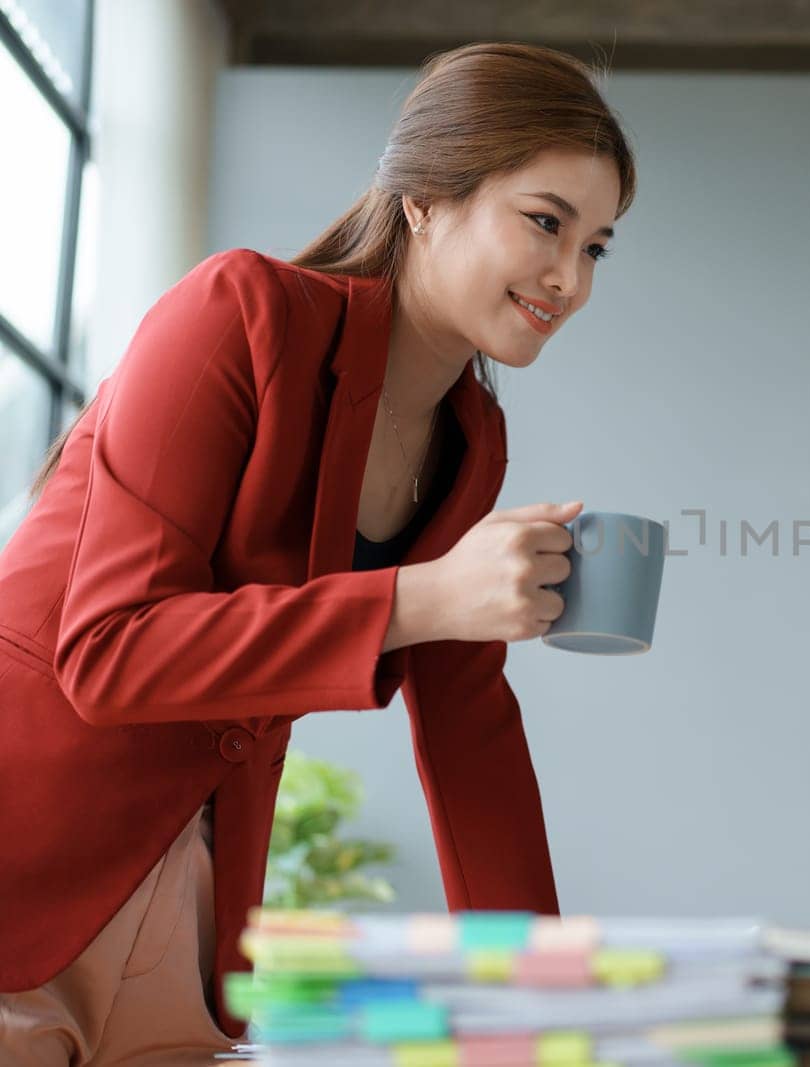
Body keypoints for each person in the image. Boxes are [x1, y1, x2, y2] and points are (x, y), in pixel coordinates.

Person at [0, 41, 634, 1063]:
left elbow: (472, 738)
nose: (570, 277)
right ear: (425, 198)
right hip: (24, 858)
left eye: (598, 246)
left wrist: (542, 1013)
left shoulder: (472, 442)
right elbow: (110, 649)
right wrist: (418, 598)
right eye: (545, 222)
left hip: (190, 926)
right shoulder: (237, 314)